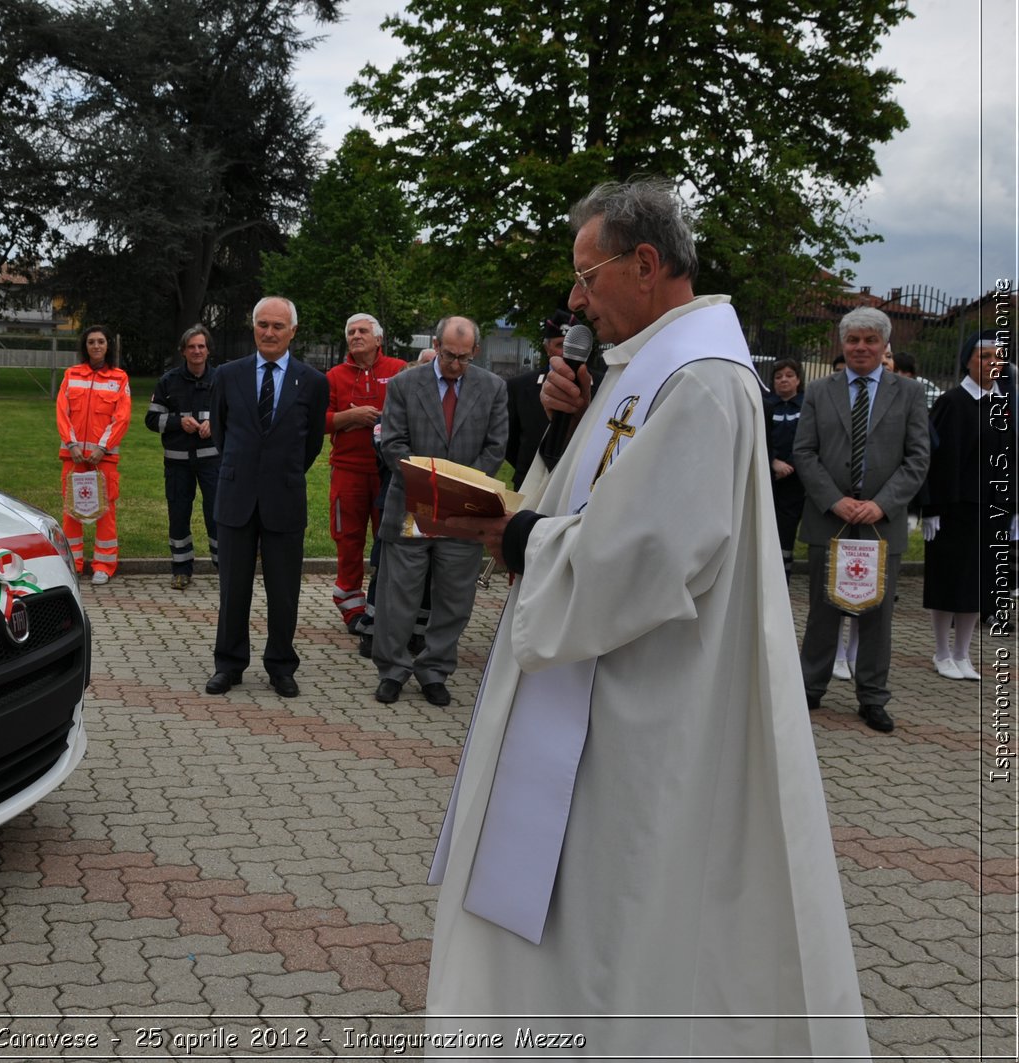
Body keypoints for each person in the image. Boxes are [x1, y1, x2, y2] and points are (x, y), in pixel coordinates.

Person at [424, 177, 870, 1057]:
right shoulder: (649, 369)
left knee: (620, 909)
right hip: (605, 686)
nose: (576, 298)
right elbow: (602, 503)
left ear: (646, 262)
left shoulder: (700, 382)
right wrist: (560, 432)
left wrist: (512, 538)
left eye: (588, 276)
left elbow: (645, 559)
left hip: (645, 700)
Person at [793, 306, 930, 732]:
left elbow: (918, 457)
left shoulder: (908, 394)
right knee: (822, 610)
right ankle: (809, 689)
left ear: (885, 346)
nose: (861, 347)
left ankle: (872, 697)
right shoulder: (819, 391)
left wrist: (882, 504)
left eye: (870, 340)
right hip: (829, 519)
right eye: (853, 340)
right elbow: (804, 452)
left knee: (877, 616)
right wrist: (834, 500)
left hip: (879, 523)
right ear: (842, 344)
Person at [370, 316, 507, 707]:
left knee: (454, 597)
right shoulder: (403, 385)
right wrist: (429, 482)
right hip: (412, 504)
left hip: (463, 509)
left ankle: (434, 670)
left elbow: (496, 446)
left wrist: (459, 487)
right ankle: (392, 671)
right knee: (400, 594)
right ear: (436, 344)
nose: (455, 364)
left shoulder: (492, 388)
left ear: (475, 352)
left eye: (464, 358)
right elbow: (392, 442)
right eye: (448, 355)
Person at [205, 296, 329, 698]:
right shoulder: (228, 374)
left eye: (278, 326)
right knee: (233, 589)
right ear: (253, 327)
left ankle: (280, 666)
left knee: (284, 590)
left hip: (284, 498)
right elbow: (222, 435)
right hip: (236, 497)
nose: (269, 333)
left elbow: (311, 443)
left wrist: (281, 474)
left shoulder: (312, 381)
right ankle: (229, 664)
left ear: (293, 331)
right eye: (263, 324)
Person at [924, 330, 1012, 678]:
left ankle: (963, 653)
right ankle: (941, 652)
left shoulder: (1002, 404)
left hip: (990, 507)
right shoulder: (952, 402)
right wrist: (930, 509)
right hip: (954, 508)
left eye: (997, 358)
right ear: (968, 361)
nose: (991, 363)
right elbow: (936, 458)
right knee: (949, 579)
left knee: (979, 579)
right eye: (983, 357)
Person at [324, 313, 408, 635]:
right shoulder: (334, 376)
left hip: (389, 473)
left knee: (388, 541)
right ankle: (351, 609)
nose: (356, 335)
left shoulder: (398, 369)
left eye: (363, 331)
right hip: (348, 472)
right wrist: (351, 416)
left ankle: (384, 606)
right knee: (349, 540)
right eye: (351, 332)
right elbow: (320, 421)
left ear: (379, 339)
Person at [145, 324, 220, 589]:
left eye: (201, 346)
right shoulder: (168, 381)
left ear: (208, 350)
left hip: (213, 461)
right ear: (183, 352)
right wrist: (178, 422)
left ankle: (224, 567)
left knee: (217, 514)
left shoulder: (221, 379)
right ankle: (181, 569)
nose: (197, 351)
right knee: (178, 513)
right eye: (192, 347)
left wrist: (216, 424)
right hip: (177, 462)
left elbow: (236, 414)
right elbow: (151, 419)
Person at [56, 325, 131, 585]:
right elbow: (62, 413)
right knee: (71, 512)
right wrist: (72, 444)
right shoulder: (71, 375)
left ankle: (104, 565)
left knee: (105, 512)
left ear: (108, 345)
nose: (96, 346)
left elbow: (121, 418)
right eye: (91, 342)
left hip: (103, 459)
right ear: (85, 346)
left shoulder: (120, 378)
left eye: (101, 341)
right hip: (74, 457)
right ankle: (72, 563)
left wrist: (102, 447)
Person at [503, 310, 571, 490]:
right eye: (560, 345)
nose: (566, 352)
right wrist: (530, 467)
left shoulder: (600, 384)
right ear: (547, 348)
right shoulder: (520, 387)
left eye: (572, 345)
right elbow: (510, 441)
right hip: (530, 484)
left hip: (573, 484)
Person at [763, 357, 805, 576]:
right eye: (778, 377)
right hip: (769, 478)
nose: (783, 380)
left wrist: (791, 464)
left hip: (795, 482)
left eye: (789, 376)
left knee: (786, 533)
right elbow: (760, 437)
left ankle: (783, 579)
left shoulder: (807, 405)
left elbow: (809, 439)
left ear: (798, 379)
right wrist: (773, 461)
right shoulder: (766, 405)